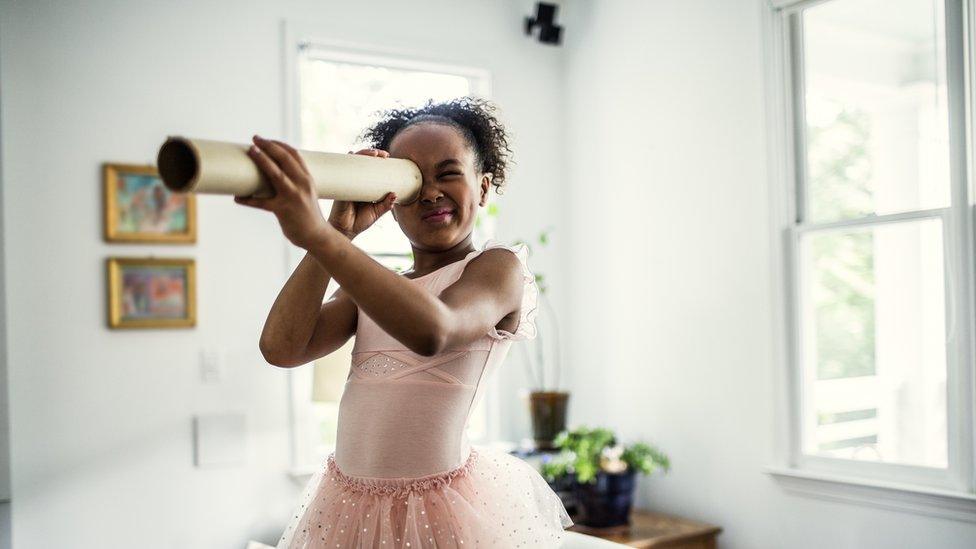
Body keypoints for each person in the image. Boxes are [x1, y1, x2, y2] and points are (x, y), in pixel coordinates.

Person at [235, 97, 573, 548]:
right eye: (413, 180)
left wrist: (314, 232)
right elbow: (282, 348)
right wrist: (335, 234)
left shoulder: (496, 267)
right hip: (348, 508)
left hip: (442, 514)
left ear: (485, 186)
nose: (431, 192)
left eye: (448, 173)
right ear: (390, 199)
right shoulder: (376, 287)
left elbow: (436, 329)